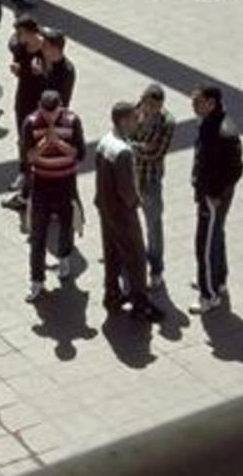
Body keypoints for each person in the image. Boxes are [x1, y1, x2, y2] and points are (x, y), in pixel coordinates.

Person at [97, 101, 165, 322]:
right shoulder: (123, 152)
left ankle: (112, 293)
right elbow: (126, 189)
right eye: (135, 118)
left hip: (105, 208)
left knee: (111, 253)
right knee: (136, 256)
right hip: (122, 213)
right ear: (124, 120)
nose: (139, 121)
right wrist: (136, 203)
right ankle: (140, 303)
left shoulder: (105, 142)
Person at [23, 90, 87, 302]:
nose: (50, 117)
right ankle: (36, 280)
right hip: (41, 184)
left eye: (54, 112)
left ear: (61, 106)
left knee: (66, 225)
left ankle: (64, 257)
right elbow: (29, 157)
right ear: (39, 107)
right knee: (38, 233)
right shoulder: (31, 123)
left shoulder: (72, 120)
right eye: (46, 112)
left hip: (65, 183)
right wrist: (44, 143)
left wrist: (58, 142)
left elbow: (79, 153)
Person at [189, 85, 243, 314]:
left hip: (212, 197)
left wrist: (216, 193)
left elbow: (235, 169)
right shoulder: (211, 123)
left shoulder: (221, 131)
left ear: (211, 103)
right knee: (216, 235)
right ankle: (218, 280)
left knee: (205, 244)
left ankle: (208, 294)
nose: (193, 104)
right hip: (211, 193)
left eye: (198, 100)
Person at [132, 84, 176, 287]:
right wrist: (139, 146)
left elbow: (156, 153)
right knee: (128, 222)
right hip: (130, 176)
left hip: (150, 179)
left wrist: (132, 146)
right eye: (148, 105)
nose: (149, 110)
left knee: (153, 227)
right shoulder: (135, 110)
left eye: (154, 107)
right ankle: (129, 260)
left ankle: (156, 269)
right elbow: (123, 136)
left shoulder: (167, 122)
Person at [2, 17, 46, 209]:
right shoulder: (19, 46)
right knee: (23, 136)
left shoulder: (46, 48)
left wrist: (41, 73)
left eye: (21, 33)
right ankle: (23, 171)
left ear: (31, 32)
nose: (18, 37)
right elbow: (15, 53)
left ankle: (36, 175)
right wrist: (18, 69)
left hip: (41, 99)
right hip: (24, 96)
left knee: (38, 138)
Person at [40, 28, 77, 109]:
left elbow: (57, 99)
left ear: (55, 49)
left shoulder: (67, 70)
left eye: (45, 45)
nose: (41, 47)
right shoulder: (43, 60)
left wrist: (44, 74)